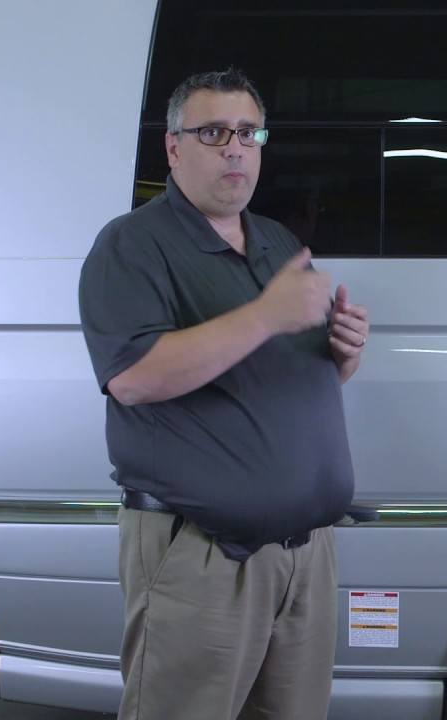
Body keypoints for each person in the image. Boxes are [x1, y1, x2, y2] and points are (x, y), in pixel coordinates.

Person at [78, 68, 370, 720]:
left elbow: (293, 383)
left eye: (248, 133)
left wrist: (342, 357)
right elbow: (133, 378)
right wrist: (264, 316)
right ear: (174, 147)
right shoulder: (132, 245)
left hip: (304, 555)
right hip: (202, 555)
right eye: (212, 133)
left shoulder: (277, 243)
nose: (234, 148)